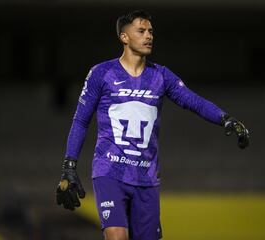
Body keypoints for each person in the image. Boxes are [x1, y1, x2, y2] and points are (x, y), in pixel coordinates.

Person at [56, 9, 249, 240]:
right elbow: (80, 120)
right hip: (109, 172)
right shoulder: (101, 73)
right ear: (124, 37)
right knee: (117, 237)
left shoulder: (161, 76)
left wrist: (225, 118)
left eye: (150, 31)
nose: (149, 36)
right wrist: (69, 166)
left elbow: (193, 101)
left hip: (146, 178)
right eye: (141, 31)